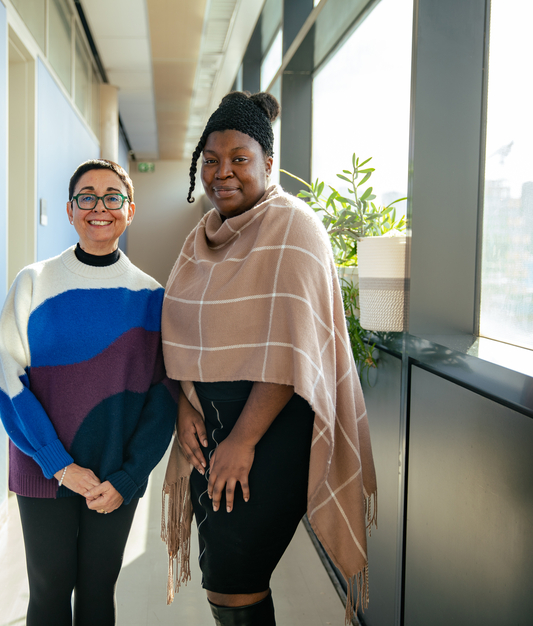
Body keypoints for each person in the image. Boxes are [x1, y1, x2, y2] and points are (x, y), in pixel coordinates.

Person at [160, 92, 377, 625]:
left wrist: (242, 440)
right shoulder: (198, 241)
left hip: (270, 431)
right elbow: (174, 339)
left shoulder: (294, 228)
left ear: (269, 164)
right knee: (225, 584)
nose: (222, 173)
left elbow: (293, 351)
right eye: (210, 160)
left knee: (236, 585)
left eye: (240, 159)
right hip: (208, 430)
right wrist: (182, 412)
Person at [0, 159, 177, 626]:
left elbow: (164, 400)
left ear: (129, 210)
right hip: (42, 469)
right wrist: (59, 464)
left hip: (115, 477)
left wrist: (130, 478)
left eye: (112, 196)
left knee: (97, 593)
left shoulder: (151, 299)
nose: (100, 206)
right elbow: (6, 379)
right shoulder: (33, 283)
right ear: (71, 211)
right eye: (87, 196)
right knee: (50, 591)